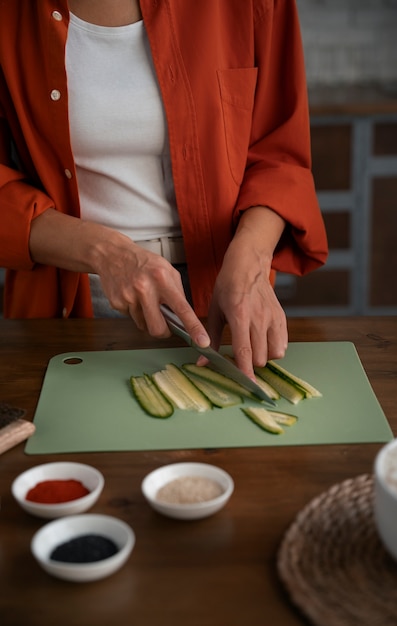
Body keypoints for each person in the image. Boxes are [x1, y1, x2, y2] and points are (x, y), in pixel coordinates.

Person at [0, 0, 328, 380]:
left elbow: (279, 155)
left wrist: (252, 258)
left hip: (227, 289)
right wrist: (104, 253)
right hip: (69, 296)